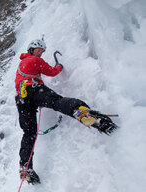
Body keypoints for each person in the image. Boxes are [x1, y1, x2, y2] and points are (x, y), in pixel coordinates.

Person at [15, 39, 117, 184]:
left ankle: (25, 168)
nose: (41, 54)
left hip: (21, 99)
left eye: (42, 52)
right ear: (31, 49)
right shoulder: (33, 60)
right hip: (33, 89)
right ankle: (79, 111)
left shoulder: (22, 63)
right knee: (56, 102)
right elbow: (51, 72)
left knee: (29, 133)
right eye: (39, 50)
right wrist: (59, 66)